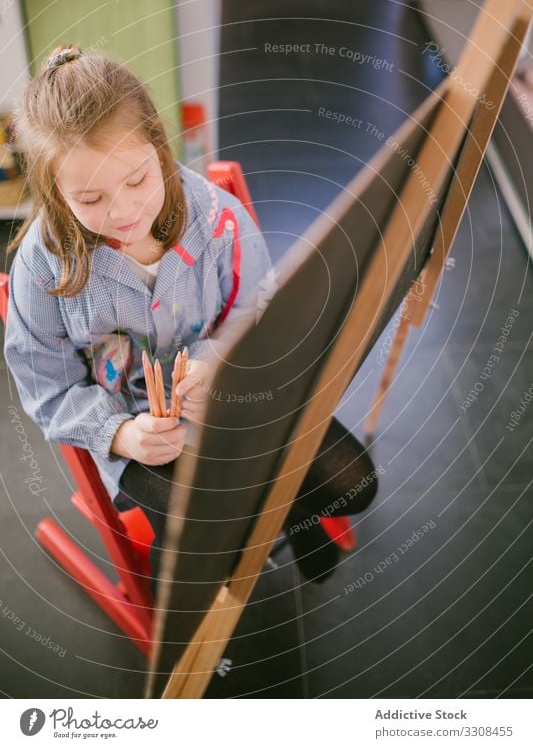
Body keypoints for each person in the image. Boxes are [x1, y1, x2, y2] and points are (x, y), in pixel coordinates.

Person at [4, 44, 378, 593]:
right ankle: (251, 539)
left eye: (137, 181)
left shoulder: (215, 217)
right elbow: (45, 387)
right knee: (209, 543)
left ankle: (295, 520)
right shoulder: (44, 263)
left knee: (354, 482)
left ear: (159, 147)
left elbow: (259, 308)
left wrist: (220, 365)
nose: (124, 212)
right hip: (139, 430)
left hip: (232, 395)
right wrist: (122, 433)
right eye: (90, 197)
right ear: (55, 192)